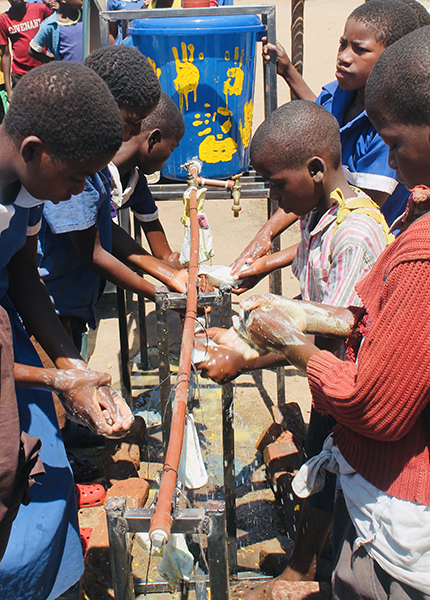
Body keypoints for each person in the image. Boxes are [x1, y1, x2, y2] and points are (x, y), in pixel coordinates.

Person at [228, 25, 430, 600]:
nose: (389, 161)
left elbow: (373, 397)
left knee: (327, 479)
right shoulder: (330, 217)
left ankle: (301, 573)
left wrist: (275, 346)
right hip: (343, 396)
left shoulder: (387, 238)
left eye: (393, 142)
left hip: (383, 473)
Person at [197, 99, 392, 586]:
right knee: (320, 462)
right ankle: (312, 563)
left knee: (329, 473)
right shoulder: (317, 212)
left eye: (277, 183)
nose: (274, 195)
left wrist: (245, 356)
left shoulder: (357, 234)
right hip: (327, 374)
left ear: (315, 169)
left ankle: (305, 571)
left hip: (350, 379)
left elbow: (334, 334)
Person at [0, 61, 133, 600]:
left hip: (10, 342)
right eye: (76, 177)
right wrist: (53, 381)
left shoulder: (26, 188)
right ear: (33, 150)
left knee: (51, 479)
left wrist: (70, 365)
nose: (76, 192)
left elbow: (25, 278)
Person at [230, 0, 418, 288]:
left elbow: (345, 215)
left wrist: (268, 261)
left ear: (391, 58)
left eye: (359, 49)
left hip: (364, 262)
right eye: (342, 44)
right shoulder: (340, 94)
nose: (343, 57)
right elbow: (315, 126)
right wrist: (265, 234)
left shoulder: (386, 132)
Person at [37, 46, 187, 359]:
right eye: (131, 123)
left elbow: (103, 230)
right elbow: (91, 252)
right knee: (56, 399)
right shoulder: (73, 165)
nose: (133, 133)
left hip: (68, 307)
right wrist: (159, 290)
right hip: (46, 312)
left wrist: (169, 274)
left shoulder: (95, 167)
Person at [109, 91, 184, 268]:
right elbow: (110, 242)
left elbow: (161, 249)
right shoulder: (95, 176)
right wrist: (168, 274)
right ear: (154, 139)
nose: (168, 159)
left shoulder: (135, 183)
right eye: (171, 149)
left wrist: (173, 264)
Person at [0, 0, 51, 99]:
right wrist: (9, 89)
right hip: (20, 75)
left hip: (44, 71)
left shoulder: (40, 9)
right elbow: (5, 54)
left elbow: (55, 31)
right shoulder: (4, 19)